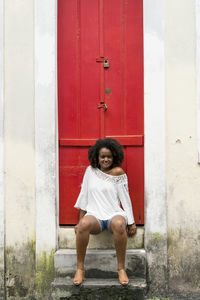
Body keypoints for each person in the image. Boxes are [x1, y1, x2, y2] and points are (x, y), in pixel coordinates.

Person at [73, 138, 137, 286]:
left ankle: (121, 269)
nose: (106, 159)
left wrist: (132, 222)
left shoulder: (118, 173)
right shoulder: (90, 171)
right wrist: (80, 220)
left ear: (114, 156)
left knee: (120, 223)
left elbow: (125, 199)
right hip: (95, 215)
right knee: (83, 225)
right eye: (103, 156)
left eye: (109, 156)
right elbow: (84, 195)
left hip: (113, 213)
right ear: (97, 157)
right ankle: (80, 269)